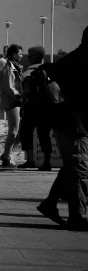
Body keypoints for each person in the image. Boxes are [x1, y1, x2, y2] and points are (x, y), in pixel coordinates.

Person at [38, 26, 88, 231]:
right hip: (73, 124)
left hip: (68, 122)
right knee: (80, 170)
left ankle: (50, 204)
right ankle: (77, 217)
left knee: (72, 166)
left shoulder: (72, 59)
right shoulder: (81, 61)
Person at [19, 46, 47, 169]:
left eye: (29, 56)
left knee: (26, 132)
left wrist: (22, 106)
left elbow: (25, 92)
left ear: (34, 57)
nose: (27, 58)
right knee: (44, 134)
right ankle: (47, 161)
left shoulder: (28, 72)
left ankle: (30, 160)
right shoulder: (48, 70)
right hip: (46, 106)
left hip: (32, 106)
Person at [0, 44, 24, 167]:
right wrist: (20, 97)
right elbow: (9, 87)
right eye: (20, 53)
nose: (22, 56)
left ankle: (6, 154)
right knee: (14, 131)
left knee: (20, 131)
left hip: (16, 102)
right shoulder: (9, 68)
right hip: (12, 102)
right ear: (14, 54)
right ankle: (7, 157)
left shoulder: (16, 67)